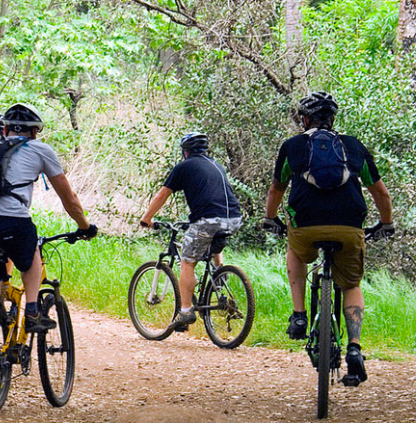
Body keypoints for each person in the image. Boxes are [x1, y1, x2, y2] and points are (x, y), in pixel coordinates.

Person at [261, 91, 397, 387]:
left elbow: (276, 189)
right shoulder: (352, 147)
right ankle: (354, 347)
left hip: (305, 227)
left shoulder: (293, 147)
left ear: (304, 119)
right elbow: (381, 193)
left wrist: (270, 218)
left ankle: (299, 315)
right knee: (351, 284)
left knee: (296, 253)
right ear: (333, 119)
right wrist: (386, 223)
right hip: (348, 226)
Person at [0, 104, 97, 333]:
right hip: (12, 224)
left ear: (4, 129)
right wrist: (84, 226)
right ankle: (33, 311)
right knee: (33, 252)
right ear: (35, 132)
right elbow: (70, 199)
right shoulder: (40, 149)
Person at [138, 132, 243, 332]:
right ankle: (219, 273)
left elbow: (162, 195)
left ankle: (186, 311)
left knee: (187, 262)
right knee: (210, 238)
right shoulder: (215, 164)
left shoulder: (184, 166)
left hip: (208, 219)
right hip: (234, 219)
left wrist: (147, 218)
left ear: (185, 152)